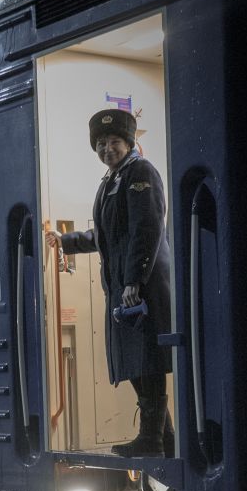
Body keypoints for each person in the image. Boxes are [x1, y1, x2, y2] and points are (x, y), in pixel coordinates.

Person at [45, 108, 173, 458]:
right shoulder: (113, 178)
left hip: (140, 286)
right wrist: (67, 240)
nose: (106, 149)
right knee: (135, 362)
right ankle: (164, 439)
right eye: (100, 144)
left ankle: (152, 438)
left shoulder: (140, 172)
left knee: (145, 360)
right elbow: (108, 235)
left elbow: (147, 228)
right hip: (124, 287)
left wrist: (134, 280)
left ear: (128, 142)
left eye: (114, 141)